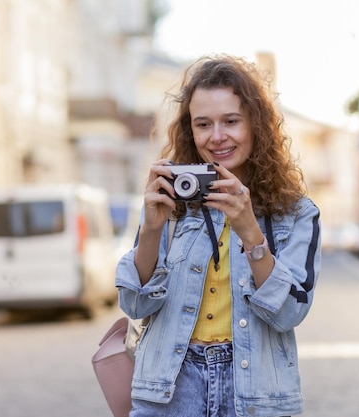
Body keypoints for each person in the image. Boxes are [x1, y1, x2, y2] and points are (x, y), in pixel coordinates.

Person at [115, 54, 321, 417]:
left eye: (231, 121)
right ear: (190, 131)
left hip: (255, 393)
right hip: (171, 390)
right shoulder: (172, 200)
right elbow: (135, 304)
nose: (217, 136)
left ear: (256, 125)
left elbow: (289, 313)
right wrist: (151, 228)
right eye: (203, 124)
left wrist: (250, 232)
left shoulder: (296, 214)